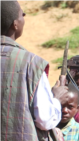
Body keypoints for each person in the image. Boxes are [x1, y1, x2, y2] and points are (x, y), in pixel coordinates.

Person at [0, 0, 67, 140]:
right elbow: (45, 120)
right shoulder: (31, 63)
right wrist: (56, 99)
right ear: (15, 23)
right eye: (22, 14)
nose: (24, 18)